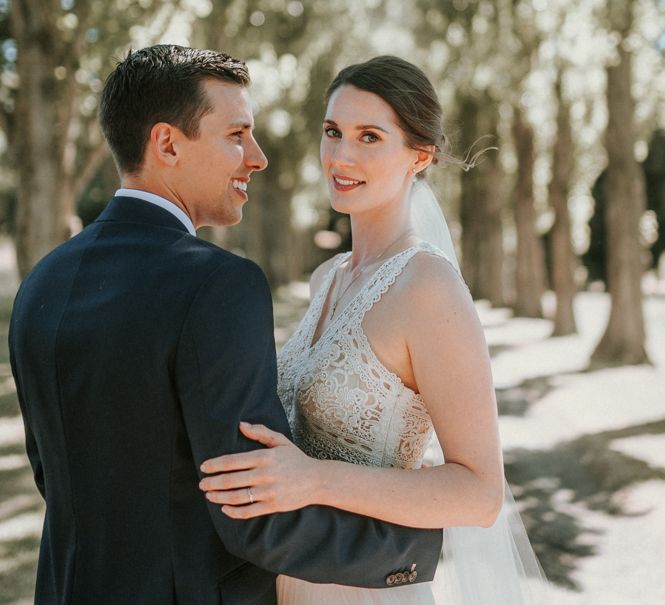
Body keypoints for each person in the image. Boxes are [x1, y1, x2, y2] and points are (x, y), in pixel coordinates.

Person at [8, 46, 444, 605]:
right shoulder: (217, 285)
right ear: (167, 143)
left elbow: (56, 479)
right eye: (237, 134)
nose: (257, 158)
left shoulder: (43, 283)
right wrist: (414, 551)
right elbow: (253, 518)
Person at [200, 56, 550, 604]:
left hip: (363, 587)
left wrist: (313, 478)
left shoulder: (428, 287)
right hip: (286, 576)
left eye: (369, 137)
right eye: (333, 132)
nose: (341, 155)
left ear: (420, 155)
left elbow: (479, 494)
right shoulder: (326, 278)